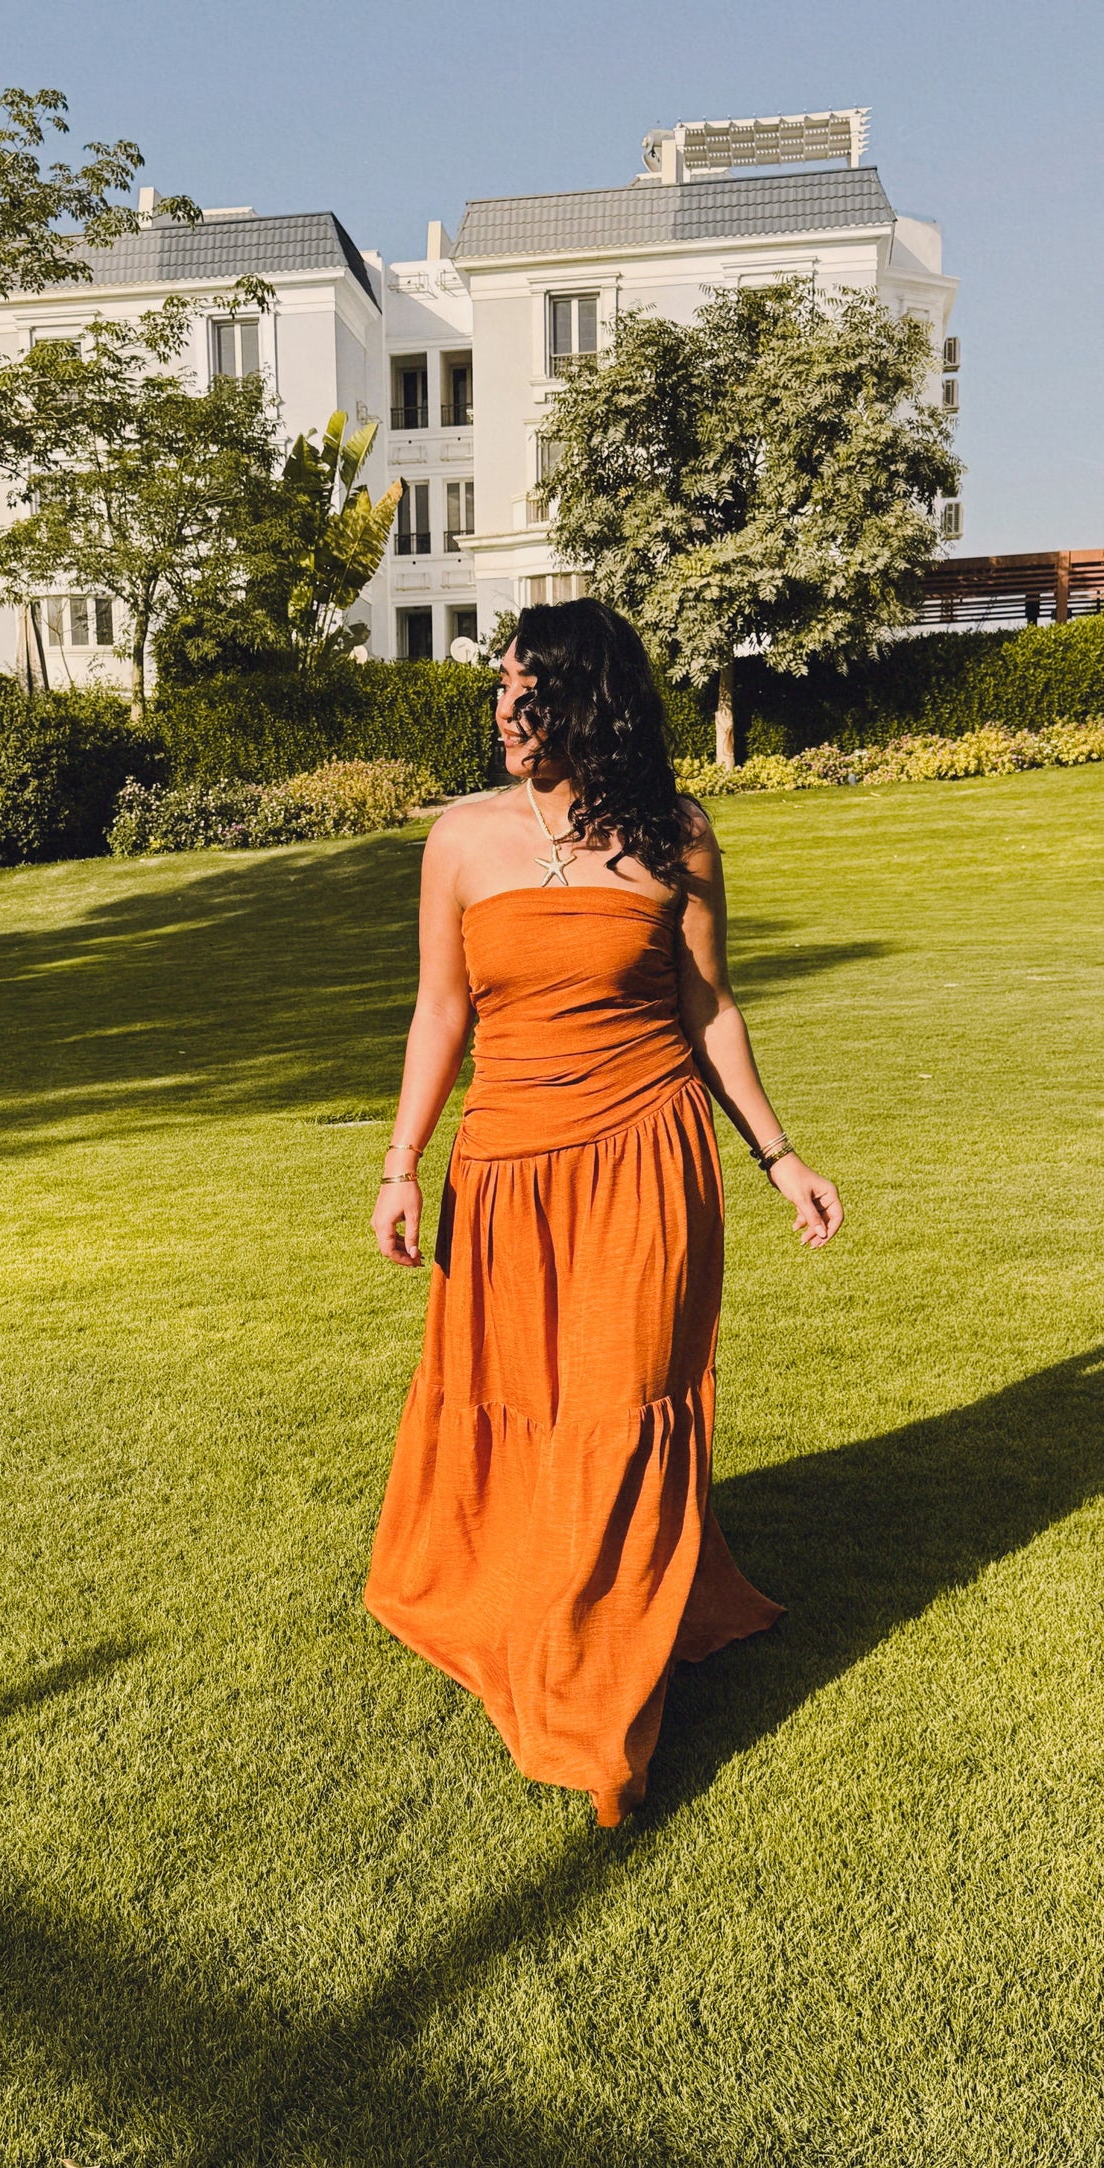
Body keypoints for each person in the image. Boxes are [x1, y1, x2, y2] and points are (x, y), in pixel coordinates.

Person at [365, 598, 843, 1827]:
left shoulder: (675, 835)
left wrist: (778, 1154)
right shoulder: (461, 840)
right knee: (526, 1402)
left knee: (622, 1402)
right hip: (507, 1170)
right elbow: (439, 1014)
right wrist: (400, 1161)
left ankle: (597, 1701)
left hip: (647, 1161)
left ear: (589, 701)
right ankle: (541, 1604)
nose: (504, 711)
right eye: (500, 688)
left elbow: (711, 1009)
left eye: (528, 691)